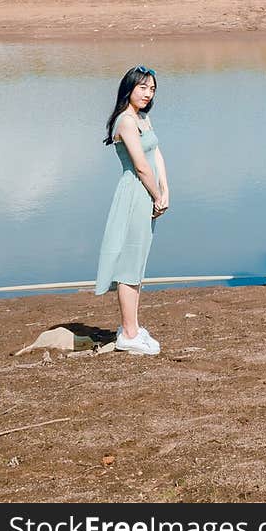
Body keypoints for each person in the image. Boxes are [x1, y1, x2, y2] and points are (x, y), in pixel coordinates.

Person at [95, 66, 169, 355]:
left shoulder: (143, 117)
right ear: (129, 88)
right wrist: (156, 195)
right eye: (143, 88)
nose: (148, 93)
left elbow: (156, 154)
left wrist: (166, 191)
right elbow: (140, 164)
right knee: (129, 263)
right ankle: (128, 333)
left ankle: (133, 327)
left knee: (137, 263)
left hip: (148, 192)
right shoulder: (126, 121)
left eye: (152, 88)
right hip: (135, 192)